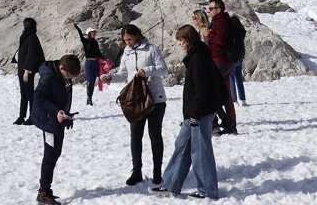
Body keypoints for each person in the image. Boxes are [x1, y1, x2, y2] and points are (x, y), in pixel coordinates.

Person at [151, 24, 221, 199]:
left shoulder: (198, 58)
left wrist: (195, 115)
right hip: (194, 112)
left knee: (200, 150)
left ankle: (207, 190)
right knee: (182, 146)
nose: (179, 44)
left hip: (199, 113)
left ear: (188, 40)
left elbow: (201, 89)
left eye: (181, 40)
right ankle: (170, 184)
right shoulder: (197, 55)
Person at [102, 24, 167, 187]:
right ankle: (136, 171)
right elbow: (124, 74)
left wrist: (147, 70)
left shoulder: (152, 49)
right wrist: (111, 77)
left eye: (129, 39)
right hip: (136, 99)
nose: (127, 43)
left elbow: (163, 69)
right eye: (124, 40)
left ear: (137, 35)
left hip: (155, 99)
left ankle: (157, 172)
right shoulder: (127, 52)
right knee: (135, 136)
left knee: (155, 135)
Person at [30, 54, 82, 205]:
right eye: (69, 76)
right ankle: (43, 192)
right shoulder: (48, 78)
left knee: (55, 153)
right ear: (61, 68)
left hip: (57, 120)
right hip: (48, 121)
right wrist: (56, 112)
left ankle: (46, 188)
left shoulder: (62, 75)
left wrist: (66, 115)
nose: (69, 79)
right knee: (50, 156)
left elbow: (61, 97)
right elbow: (38, 98)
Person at [204, 0, 240, 135]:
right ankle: (229, 124)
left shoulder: (221, 22)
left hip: (220, 61)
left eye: (211, 8)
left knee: (209, 92)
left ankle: (216, 123)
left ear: (218, 9)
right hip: (223, 61)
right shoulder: (220, 21)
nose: (209, 11)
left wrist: (209, 34)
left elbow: (220, 40)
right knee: (225, 94)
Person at [14, 18, 46, 125]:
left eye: (24, 24)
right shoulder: (25, 36)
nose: (23, 26)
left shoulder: (32, 37)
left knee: (30, 95)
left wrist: (27, 71)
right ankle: (21, 116)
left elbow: (31, 55)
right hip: (21, 70)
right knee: (23, 94)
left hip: (27, 71)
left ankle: (33, 117)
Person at [74, 24, 104, 106]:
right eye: (92, 32)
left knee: (93, 81)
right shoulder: (85, 41)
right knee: (90, 81)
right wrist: (74, 24)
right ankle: (89, 98)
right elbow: (80, 32)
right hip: (89, 63)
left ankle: (90, 98)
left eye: (94, 32)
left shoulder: (95, 42)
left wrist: (105, 60)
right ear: (89, 33)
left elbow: (98, 53)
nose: (94, 33)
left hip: (95, 63)